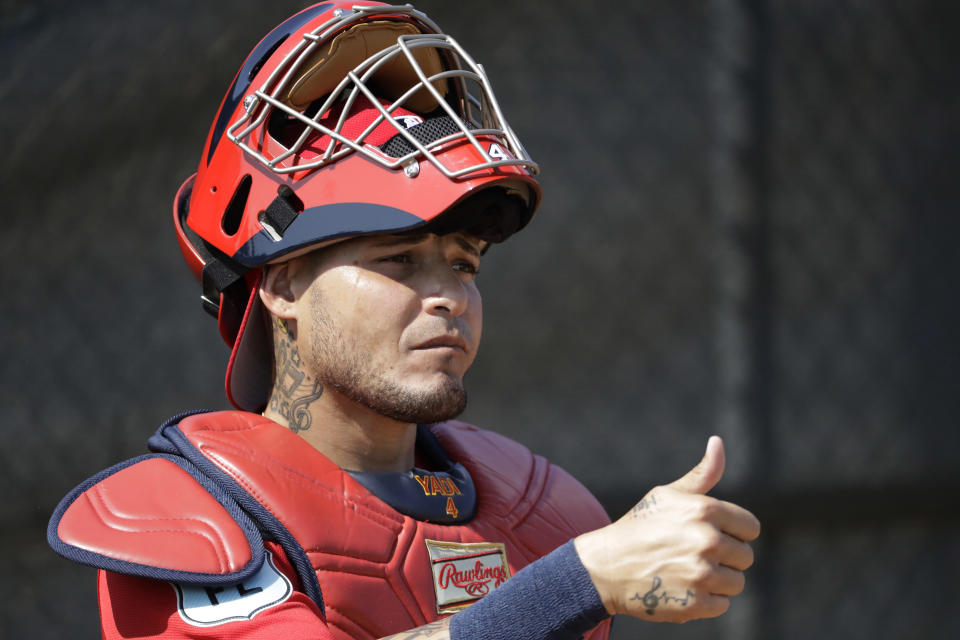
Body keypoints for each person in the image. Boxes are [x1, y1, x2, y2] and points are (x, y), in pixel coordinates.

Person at [47, 2, 761, 639]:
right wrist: (578, 583)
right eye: (397, 261)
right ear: (283, 284)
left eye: (464, 263)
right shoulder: (188, 517)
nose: (448, 294)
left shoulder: (546, 511)